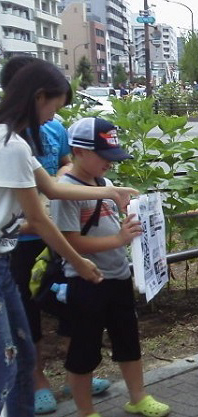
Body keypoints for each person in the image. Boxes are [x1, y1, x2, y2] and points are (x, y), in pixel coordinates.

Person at [0, 59, 135, 416]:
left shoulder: (16, 143)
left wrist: (110, 191)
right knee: (11, 359)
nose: (51, 119)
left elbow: (56, 190)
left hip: (5, 252)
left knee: (21, 352)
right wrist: (79, 262)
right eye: (53, 108)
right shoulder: (11, 146)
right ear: (37, 97)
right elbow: (41, 219)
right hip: (3, 259)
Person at [50, 117, 170, 417]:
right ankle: (85, 410)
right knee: (84, 351)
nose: (109, 164)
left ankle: (138, 396)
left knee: (128, 341)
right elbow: (70, 242)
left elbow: (112, 227)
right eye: (103, 157)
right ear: (78, 151)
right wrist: (118, 238)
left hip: (118, 276)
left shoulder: (103, 184)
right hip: (84, 280)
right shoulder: (67, 191)